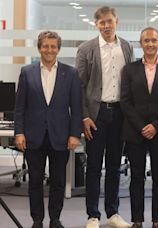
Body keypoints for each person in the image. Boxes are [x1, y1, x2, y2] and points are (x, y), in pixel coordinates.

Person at [14, 31, 82, 228]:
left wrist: (74, 134)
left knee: (58, 180)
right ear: (39, 47)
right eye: (45, 46)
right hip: (33, 136)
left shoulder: (71, 73)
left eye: (53, 46)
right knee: (35, 181)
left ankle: (55, 218)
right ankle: (37, 220)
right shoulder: (27, 72)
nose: (49, 50)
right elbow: (20, 107)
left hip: (60, 136)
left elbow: (76, 108)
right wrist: (19, 132)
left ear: (58, 49)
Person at [75, 6, 132, 228]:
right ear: (96, 25)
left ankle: (113, 213)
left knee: (115, 166)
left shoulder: (126, 47)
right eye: (102, 23)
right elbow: (78, 87)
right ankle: (93, 215)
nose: (107, 26)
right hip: (96, 116)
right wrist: (84, 116)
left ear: (116, 21)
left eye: (109, 21)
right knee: (94, 167)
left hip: (119, 114)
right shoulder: (86, 49)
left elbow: (130, 82)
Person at [120, 27, 158, 228]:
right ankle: (137, 219)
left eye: (154, 40)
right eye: (146, 40)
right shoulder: (129, 70)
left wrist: (155, 126)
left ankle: (157, 219)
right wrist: (142, 126)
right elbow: (125, 102)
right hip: (135, 132)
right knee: (136, 177)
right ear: (141, 44)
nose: (150, 44)